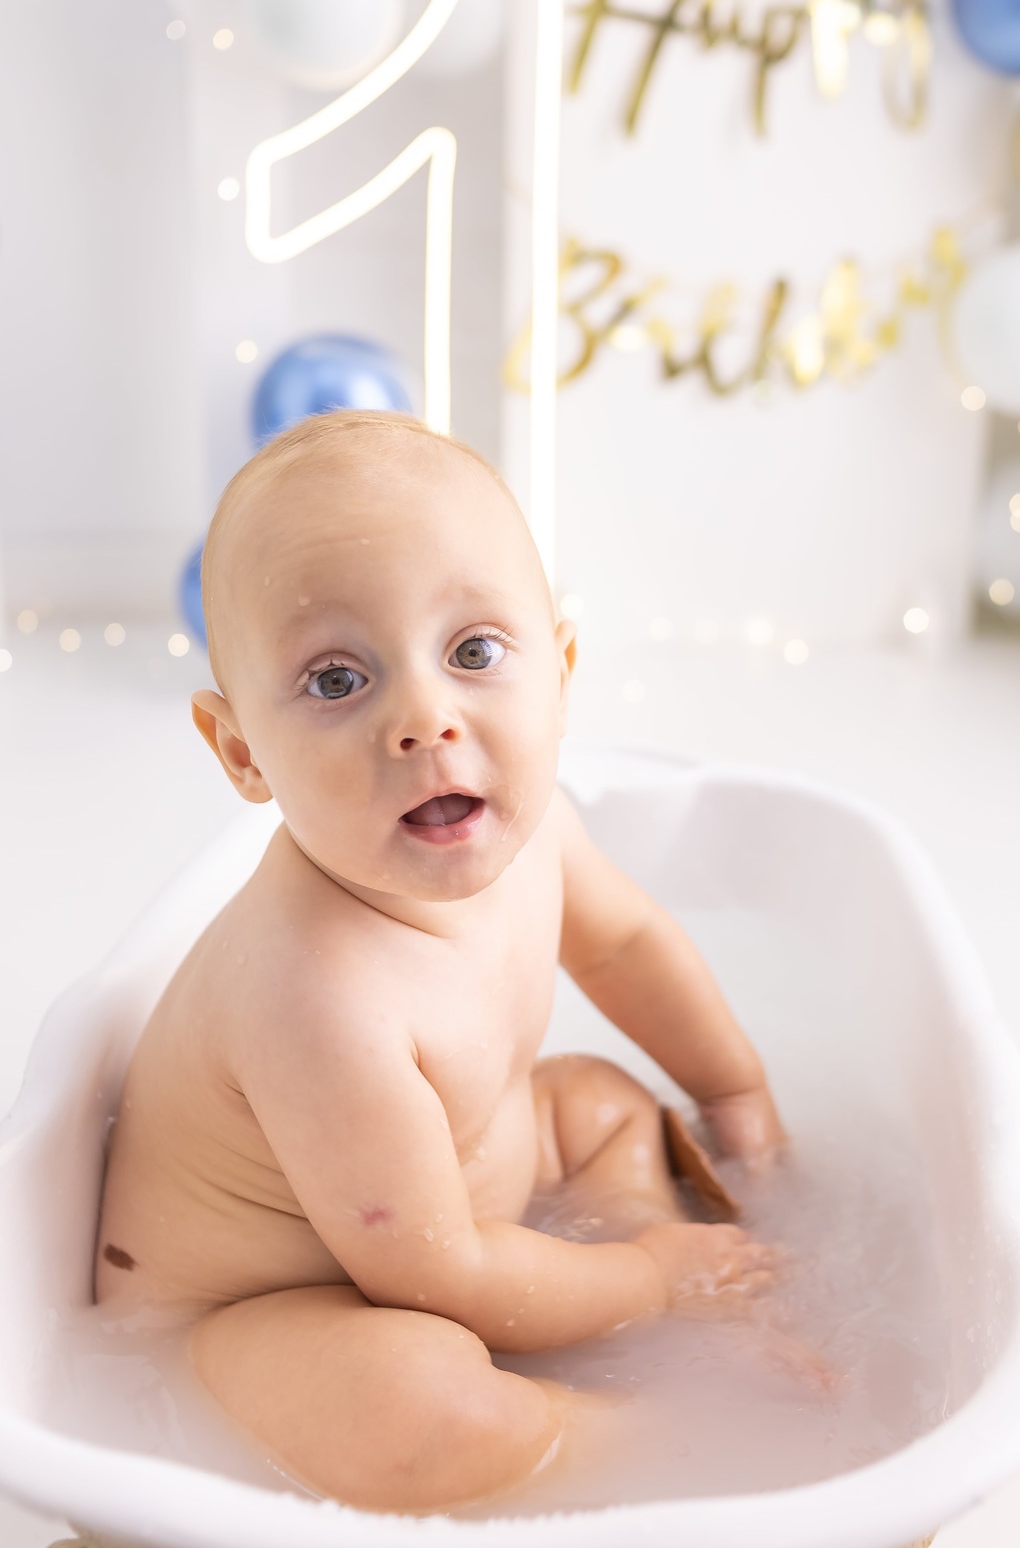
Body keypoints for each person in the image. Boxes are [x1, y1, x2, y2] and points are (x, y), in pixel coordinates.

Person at [95, 410, 784, 1512]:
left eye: (473, 652)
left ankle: (686, 1301)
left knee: (605, 1103)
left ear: (558, 672)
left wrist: (733, 1090)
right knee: (420, 1412)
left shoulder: (540, 829)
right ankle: (661, 1437)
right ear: (240, 751)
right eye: (335, 680)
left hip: (457, 1213)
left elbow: (629, 944)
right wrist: (650, 1281)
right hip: (270, 1318)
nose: (425, 719)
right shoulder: (315, 991)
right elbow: (435, 1270)